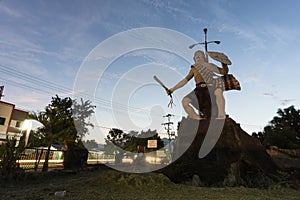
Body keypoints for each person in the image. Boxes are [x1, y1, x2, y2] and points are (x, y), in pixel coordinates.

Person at [167, 50, 229, 120]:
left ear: (204, 58)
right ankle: (197, 118)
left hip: (210, 87)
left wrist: (223, 63)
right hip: (199, 90)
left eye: (200, 56)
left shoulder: (210, 66)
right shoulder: (194, 69)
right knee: (185, 101)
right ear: (194, 59)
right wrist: (172, 89)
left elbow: (224, 72)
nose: (198, 57)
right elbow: (184, 81)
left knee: (218, 92)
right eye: (196, 57)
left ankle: (221, 114)